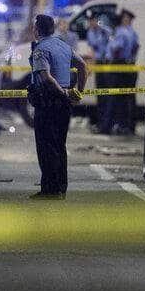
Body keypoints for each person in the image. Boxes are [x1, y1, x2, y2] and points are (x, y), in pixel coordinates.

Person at [29, 14, 88, 199]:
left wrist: (60, 92)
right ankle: (61, 187)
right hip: (64, 103)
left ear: (37, 30)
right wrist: (78, 92)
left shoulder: (41, 49)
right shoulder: (63, 45)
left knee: (46, 146)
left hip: (48, 101)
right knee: (60, 145)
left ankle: (50, 189)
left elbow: (46, 77)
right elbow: (83, 66)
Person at [106, 9, 140, 135]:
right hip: (130, 65)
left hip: (120, 65)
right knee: (129, 97)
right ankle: (129, 126)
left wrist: (114, 60)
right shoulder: (133, 32)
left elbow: (117, 48)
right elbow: (136, 47)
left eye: (127, 18)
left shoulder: (121, 32)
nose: (126, 20)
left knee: (118, 97)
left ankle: (119, 125)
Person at [86, 13, 114, 134]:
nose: (93, 23)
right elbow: (94, 45)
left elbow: (111, 38)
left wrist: (103, 31)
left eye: (94, 21)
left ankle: (107, 125)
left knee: (107, 96)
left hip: (107, 64)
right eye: (91, 21)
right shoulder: (91, 33)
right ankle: (102, 124)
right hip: (98, 63)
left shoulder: (105, 30)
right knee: (101, 95)